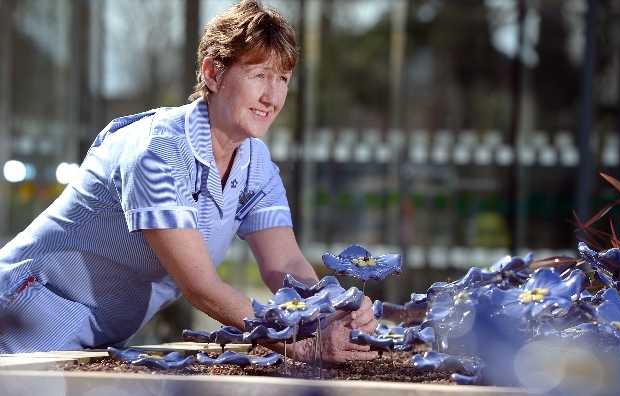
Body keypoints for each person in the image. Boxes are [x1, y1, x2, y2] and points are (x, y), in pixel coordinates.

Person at [0, 0, 377, 362]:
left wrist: (330, 310)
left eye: (282, 78)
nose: (272, 96)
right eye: (258, 75)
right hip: (22, 320)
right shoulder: (156, 153)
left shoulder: (255, 162)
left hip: (93, 339)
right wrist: (295, 341)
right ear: (212, 74)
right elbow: (201, 288)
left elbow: (285, 262)